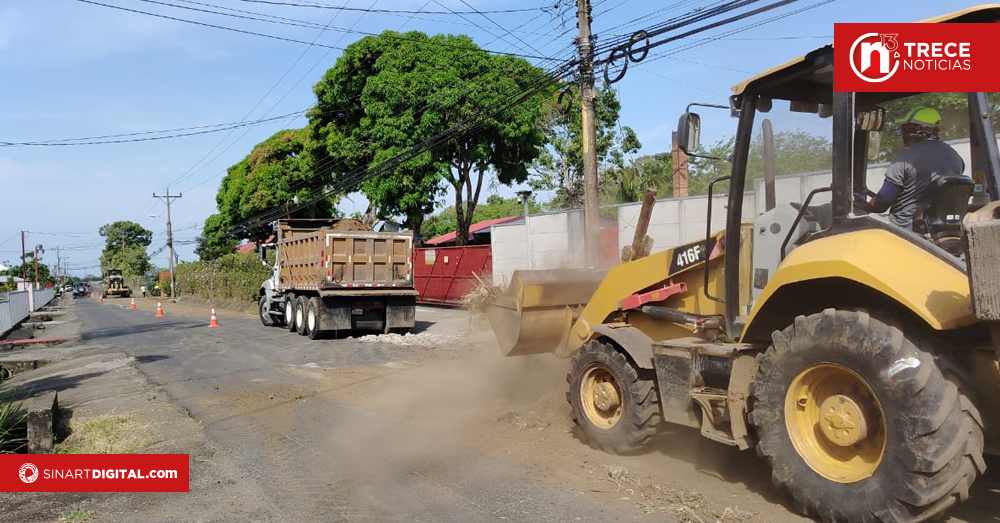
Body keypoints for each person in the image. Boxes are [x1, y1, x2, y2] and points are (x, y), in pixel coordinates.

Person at [867, 107, 966, 229]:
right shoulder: (955, 157)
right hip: (940, 228)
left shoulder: (904, 158)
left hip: (905, 229)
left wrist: (865, 206)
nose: (903, 134)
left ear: (922, 130)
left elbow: (883, 201)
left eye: (907, 129)